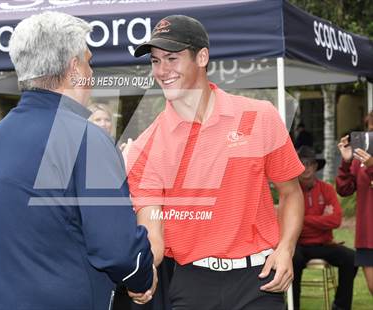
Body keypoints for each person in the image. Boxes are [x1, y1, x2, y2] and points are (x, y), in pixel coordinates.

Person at [0, 11, 157, 310]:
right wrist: (141, 277)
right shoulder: (86, 139)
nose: (91, 74)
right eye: (89, 62)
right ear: (74, 67)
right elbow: (117, 249)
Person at [126, 15, 305, 309]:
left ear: (202, 57)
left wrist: (285, 249)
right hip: (192, 284)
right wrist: (147, 270)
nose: (162, 70)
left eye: (172, 58)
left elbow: (291, 192)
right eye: (155, 61)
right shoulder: (145, 145)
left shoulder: (258, 115)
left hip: (259, 279)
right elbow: (152, 231)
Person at [292, 146, 357, 310]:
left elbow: (336, 220)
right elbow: (287, 222)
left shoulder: (326, 189)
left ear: (315, 166)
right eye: (301, 163)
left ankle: (340, 306)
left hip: (324, 244)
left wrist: (302, 219)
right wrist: (322, 219)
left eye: (310, 163)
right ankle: (293, 306)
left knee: (352, 258)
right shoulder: (291, 190)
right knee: (292, 260)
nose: (305, 167)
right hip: (298, 244)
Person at [336, 110, 373, 295]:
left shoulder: (368, 161)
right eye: (370, 128)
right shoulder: (362, 157)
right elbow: (344, 189)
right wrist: (346, 161)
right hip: (368, 234)